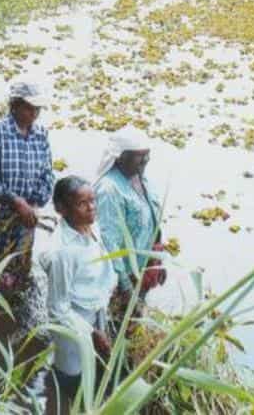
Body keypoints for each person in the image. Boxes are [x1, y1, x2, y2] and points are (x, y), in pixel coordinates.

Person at [0, 81, 54, 299]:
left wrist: (35, 203)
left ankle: (14, 304)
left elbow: (48, 175)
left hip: (26, 221)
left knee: (20, 269)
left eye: (38, 109)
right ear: (15, 105)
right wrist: (16, 202)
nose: (35, 113)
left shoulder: (41, 135)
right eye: (30, 108)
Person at [40, 176, 116, 397]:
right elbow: (57, 308)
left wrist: (100, 324)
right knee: (70, 375)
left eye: (93, 200)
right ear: (61, 208)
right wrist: (92, 332)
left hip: (96, 310)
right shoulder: (63, 252)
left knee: (94, 368)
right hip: (72, 324)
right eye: (82, 204)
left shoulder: (93, 228)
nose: (91, 208)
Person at [95, 126, 165, 312]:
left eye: (147, 155)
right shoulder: (109, 189)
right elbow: (109, 241)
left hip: (142, 266)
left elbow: (153, 220)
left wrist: (159, 260)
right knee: (119, 320)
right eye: (139, 156)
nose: (145, 161)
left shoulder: (141, 178)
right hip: (123, 273)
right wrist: (125, 287)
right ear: (121, 157)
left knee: (135, 319)